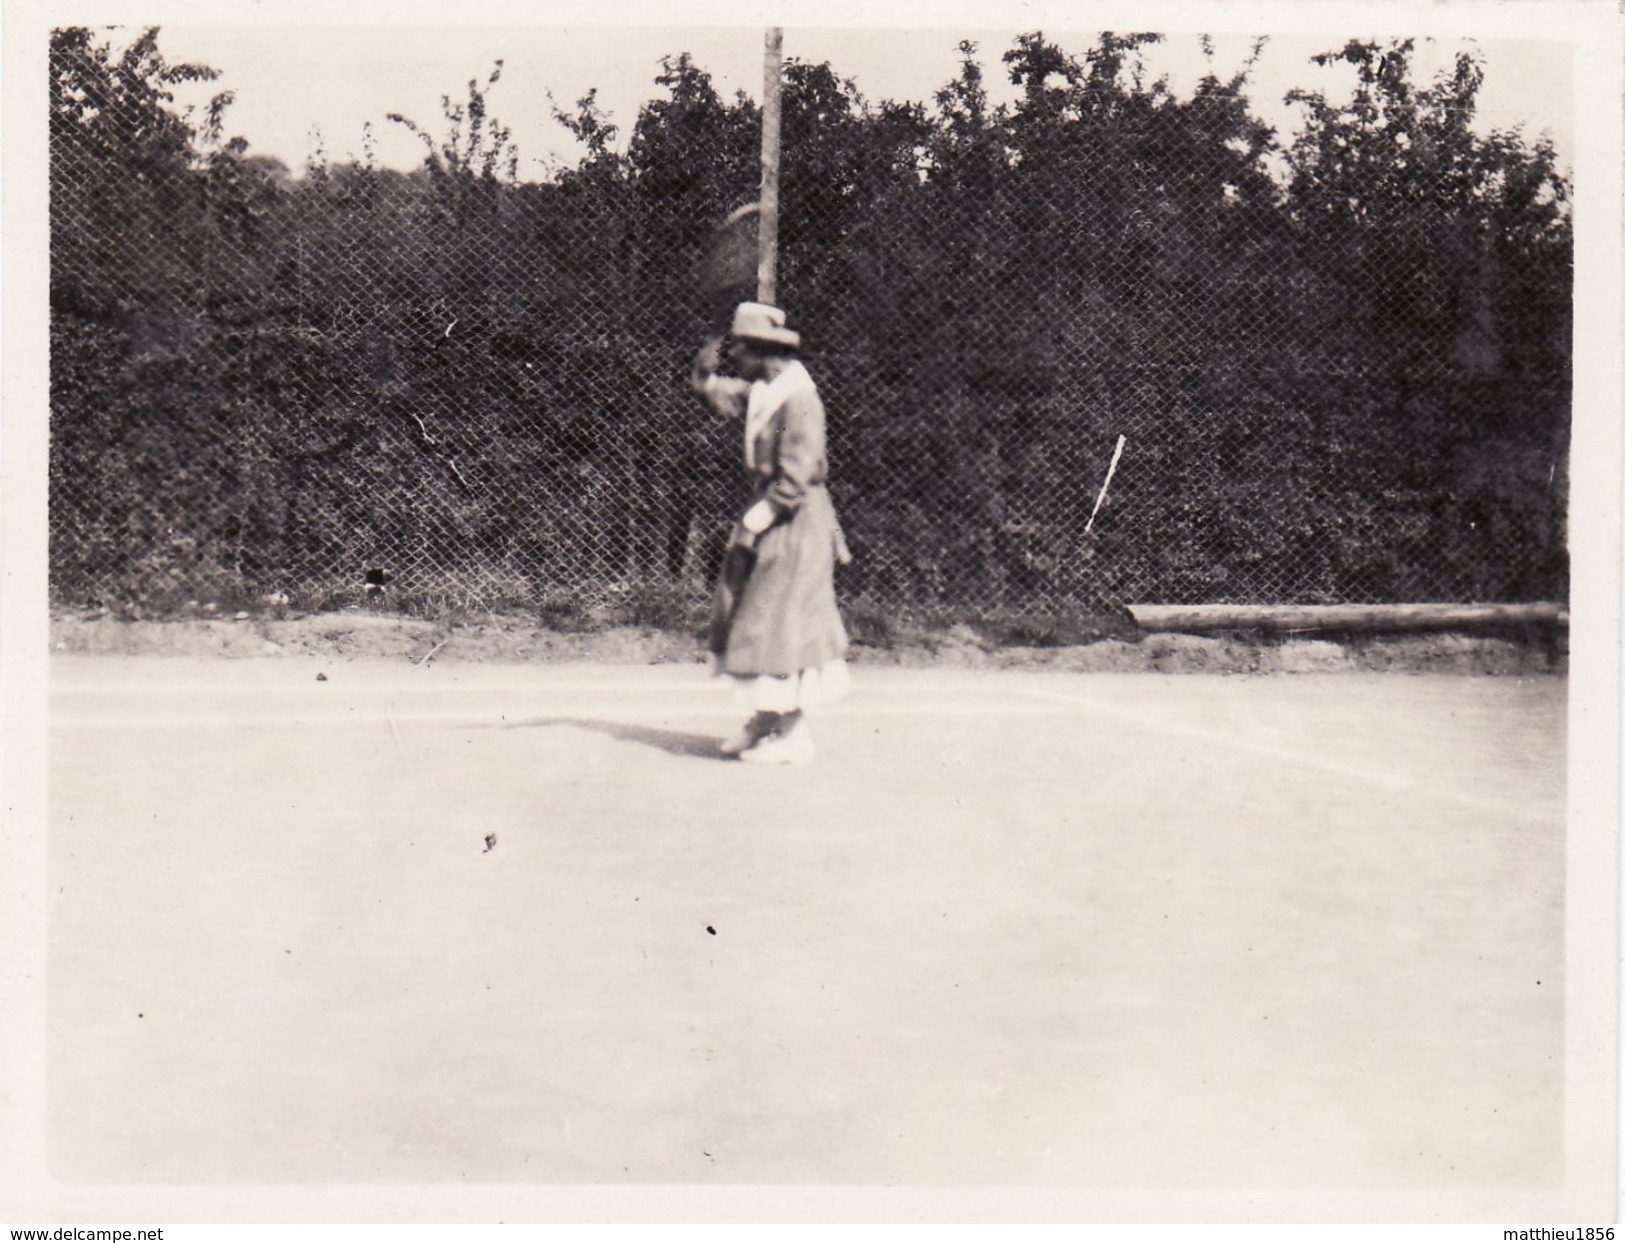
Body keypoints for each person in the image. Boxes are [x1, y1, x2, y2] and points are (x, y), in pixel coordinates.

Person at [689, 301, 851, 765]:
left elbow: (797, 476)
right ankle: (764, 722)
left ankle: (794, 733)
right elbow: (715, 390)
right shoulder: (765, 387)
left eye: (739, 349)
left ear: (763, 350)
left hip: (795, 519)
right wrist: (703, 370)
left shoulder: (799, 398)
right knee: (751, 612)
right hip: (772, 512)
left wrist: (760, 517)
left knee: (783, 622)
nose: (734, 358)